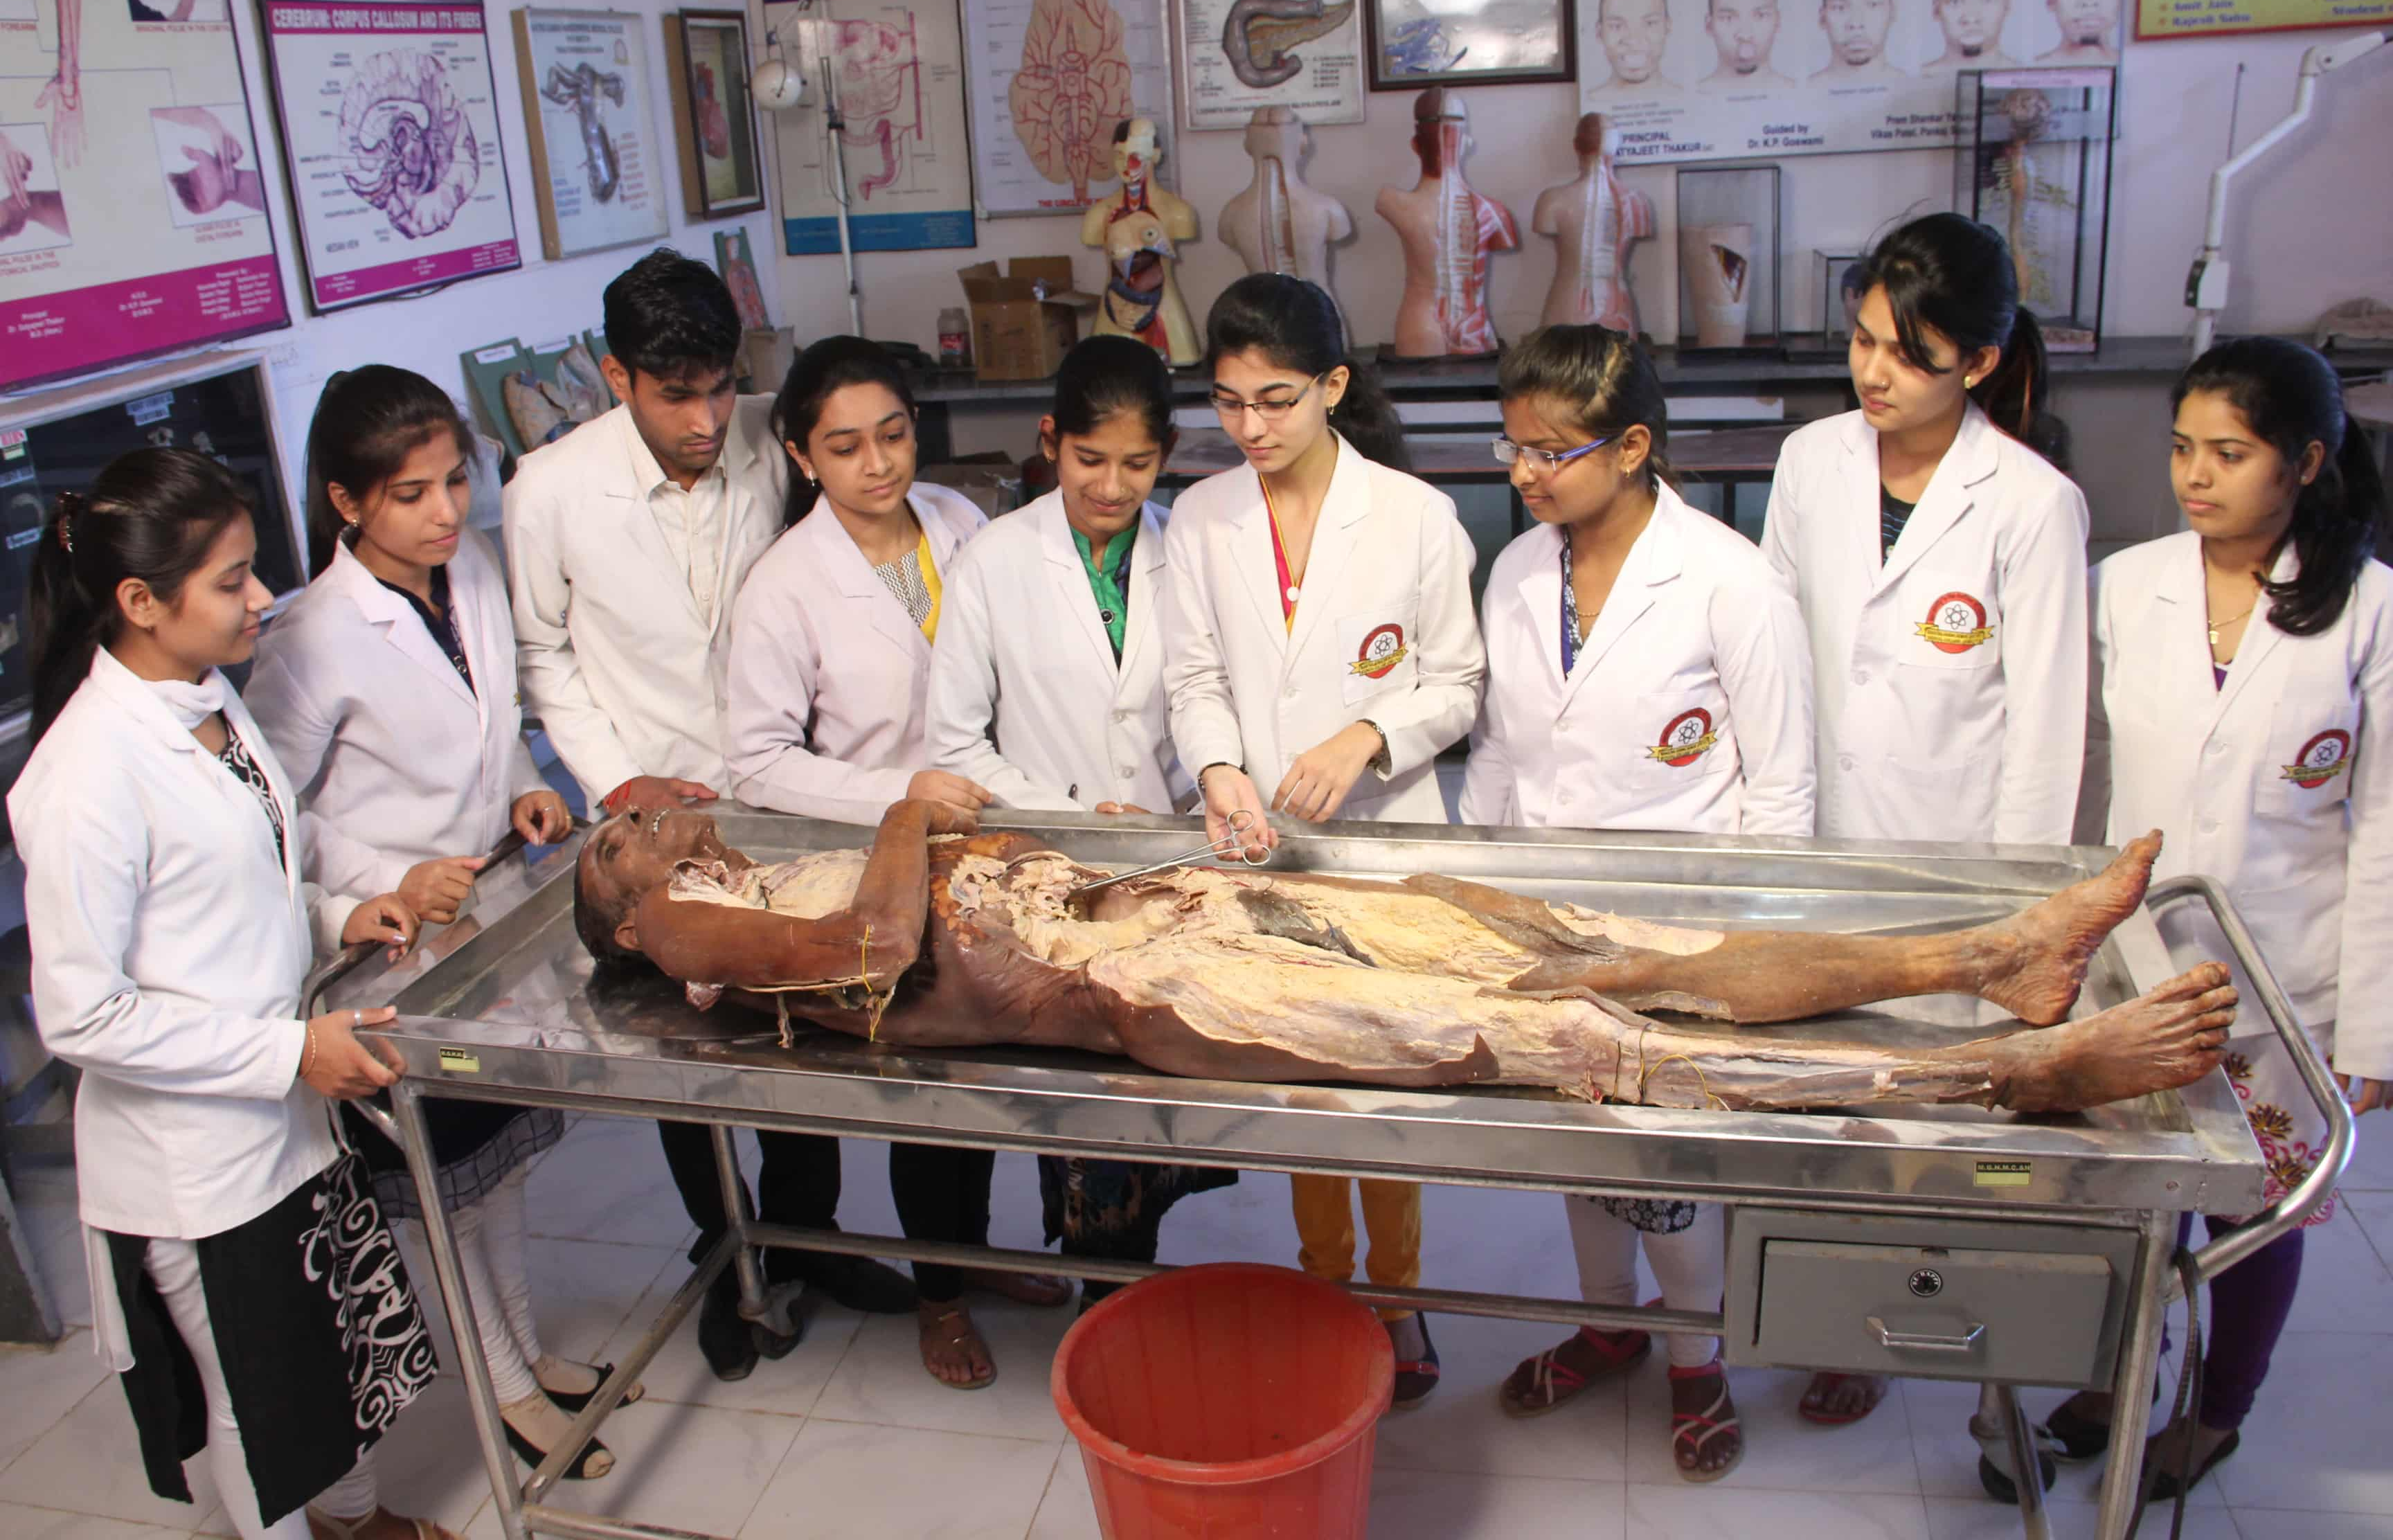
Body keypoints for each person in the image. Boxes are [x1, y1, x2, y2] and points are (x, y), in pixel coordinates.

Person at [571, 804, 2238, 1116]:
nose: (639, 814)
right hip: (1169, 996)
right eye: (615, 836)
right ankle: (2012, 1069)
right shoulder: (676, 926)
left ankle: (1993, 951)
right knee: (1593, 1040)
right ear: (625, 899)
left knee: (1604, 940)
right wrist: (912, 813)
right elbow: (873, 955)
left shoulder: (737, 850)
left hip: (1179, 916)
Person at [9, 449, 445, 1540]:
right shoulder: (84, 775)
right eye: (233, 581)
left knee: (329, 1362)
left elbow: (240, 884)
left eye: (256, 571)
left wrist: (341, 910)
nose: (262, 600)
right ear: (140, 603)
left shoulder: (208, 701)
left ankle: (355, 1520)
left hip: (285, 1121)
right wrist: (289, 1055)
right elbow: (81, 1013)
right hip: (195, 1160)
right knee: (259, 1400)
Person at [506, 249, 913, 1383]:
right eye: (673, 393)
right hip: (652, 809)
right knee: (684, 1050)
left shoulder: (766, 446)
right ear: (614, 376)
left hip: (779, 791)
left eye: (719, 386)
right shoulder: (546, 488)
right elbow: (543, 650)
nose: (703, 417)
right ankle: (728, 1250)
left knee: (799, 1016)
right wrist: (612, 777)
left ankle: (813, 1240)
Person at [244, 366, 622, 1481]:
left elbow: (487, 719)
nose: (448, 510)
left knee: (496, 1161)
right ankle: (502, 1387)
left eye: (455, 479)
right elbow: (280, 821)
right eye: (411, 493)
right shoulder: (308, 636)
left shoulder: (476, 573)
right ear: (346, 502)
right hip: (388, 948)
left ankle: (529, 1355)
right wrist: (392, 874)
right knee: (440, 1179)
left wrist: (520, 785)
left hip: (484, 929)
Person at [1466, 325, 1812, 1480]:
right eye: (1512, 445)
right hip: (1547, 908)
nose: (1524, 472)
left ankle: (1697, 1354)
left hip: (1680, 917)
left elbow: (1782, 782)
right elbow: (1503, 754)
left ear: (1631, 447)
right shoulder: (1519, 571)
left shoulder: (1727, 577)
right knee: (1577, 1137)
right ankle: (1608, 1318)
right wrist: (1478, 882)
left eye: (1550, 450)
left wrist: (1754, 947)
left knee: (1664, 1157)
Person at [1761, 211, 2086, 1426]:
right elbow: (1775, 653)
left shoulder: (2031, 504)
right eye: (1861, 341)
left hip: (1959, 862)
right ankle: (1823, 1304)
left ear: (1981, 364)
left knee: (1930, 1101)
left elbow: (2049, 727)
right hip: (1817, 837)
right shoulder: (1811, 462)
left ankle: (1909, 1312)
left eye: (1908, 354)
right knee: (1822, 1087)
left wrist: (2015, 915)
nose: (1873, 373)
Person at [2061, 338, 2391, 1493]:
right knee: (2122, 1197)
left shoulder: (2370, 609)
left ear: (2304, 461)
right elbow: (2090, 770)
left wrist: (2370, 1034)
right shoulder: (2129, 581)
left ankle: (2214, 1409)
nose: (2196, 476)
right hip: (2135, 961)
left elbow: (2385, 830)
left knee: (2257, 1210)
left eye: (2230, 453)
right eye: (2183, 448)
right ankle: (2114, 1376)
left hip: (2286, 976)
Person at [1163, 272, 1485, 1404]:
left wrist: (1367, 732)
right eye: (1230, 401)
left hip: (1387, 840)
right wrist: (1217, 766)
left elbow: (1456, 678)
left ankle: (1395, 1295)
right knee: (1301, 1074)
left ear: (1335, 385)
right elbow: (1194, 676)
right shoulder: (1202, 517)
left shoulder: (1412, 516)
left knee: (1379, 1073)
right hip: (1266, 844)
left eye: (1278, 400)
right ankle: (1323, 1284)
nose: (1250, 427)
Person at [725, 334, 1068, 1388]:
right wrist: (896, 794)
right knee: (927, 1090)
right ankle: (942, 1298)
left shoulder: (960, 524)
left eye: (894, 434)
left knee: (998, 1073)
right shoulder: (785, 586)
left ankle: (974, 1255)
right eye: (845, 446)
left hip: (990, 845)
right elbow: (755, 762)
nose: (878, 463)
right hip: (879, 872)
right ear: (801, 456)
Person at [924, 334, 1229, 1308]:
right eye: (1089, 459)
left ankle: (1120, 1287)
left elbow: (1212, 698)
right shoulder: (993, 561)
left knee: (1158, 1079)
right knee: (1075, 1090)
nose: (1111, 485)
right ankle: (1110, 1301)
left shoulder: (1190, 549)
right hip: (1045, 860)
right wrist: (1065, 812)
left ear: (1169, 453)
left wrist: (1181, 806)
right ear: (1051, 442)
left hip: (1171, 853)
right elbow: (954, 740)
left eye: (1137, 464)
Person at [1698, 0, 1795, 92]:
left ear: (1777, 21)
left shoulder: (1797, 90)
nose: (1745, 35)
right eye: (1728, 18)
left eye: (1761, 16)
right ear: (1709, 25)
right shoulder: (1692, 95)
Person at [1811, 0, 1905, 84]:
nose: (1856, 23)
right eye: (1840, 8)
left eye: (1873, 5)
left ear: (1893, 13)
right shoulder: (1803, 91)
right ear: (1822, 18)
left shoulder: (1914, 88)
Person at [1589, 0, 1681, 100]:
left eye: (1650, 23)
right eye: (1617, 26)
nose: (1634, 40)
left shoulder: (1684, 97)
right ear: (1599, 33)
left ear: (1667, 27)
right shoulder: (1591, 101)